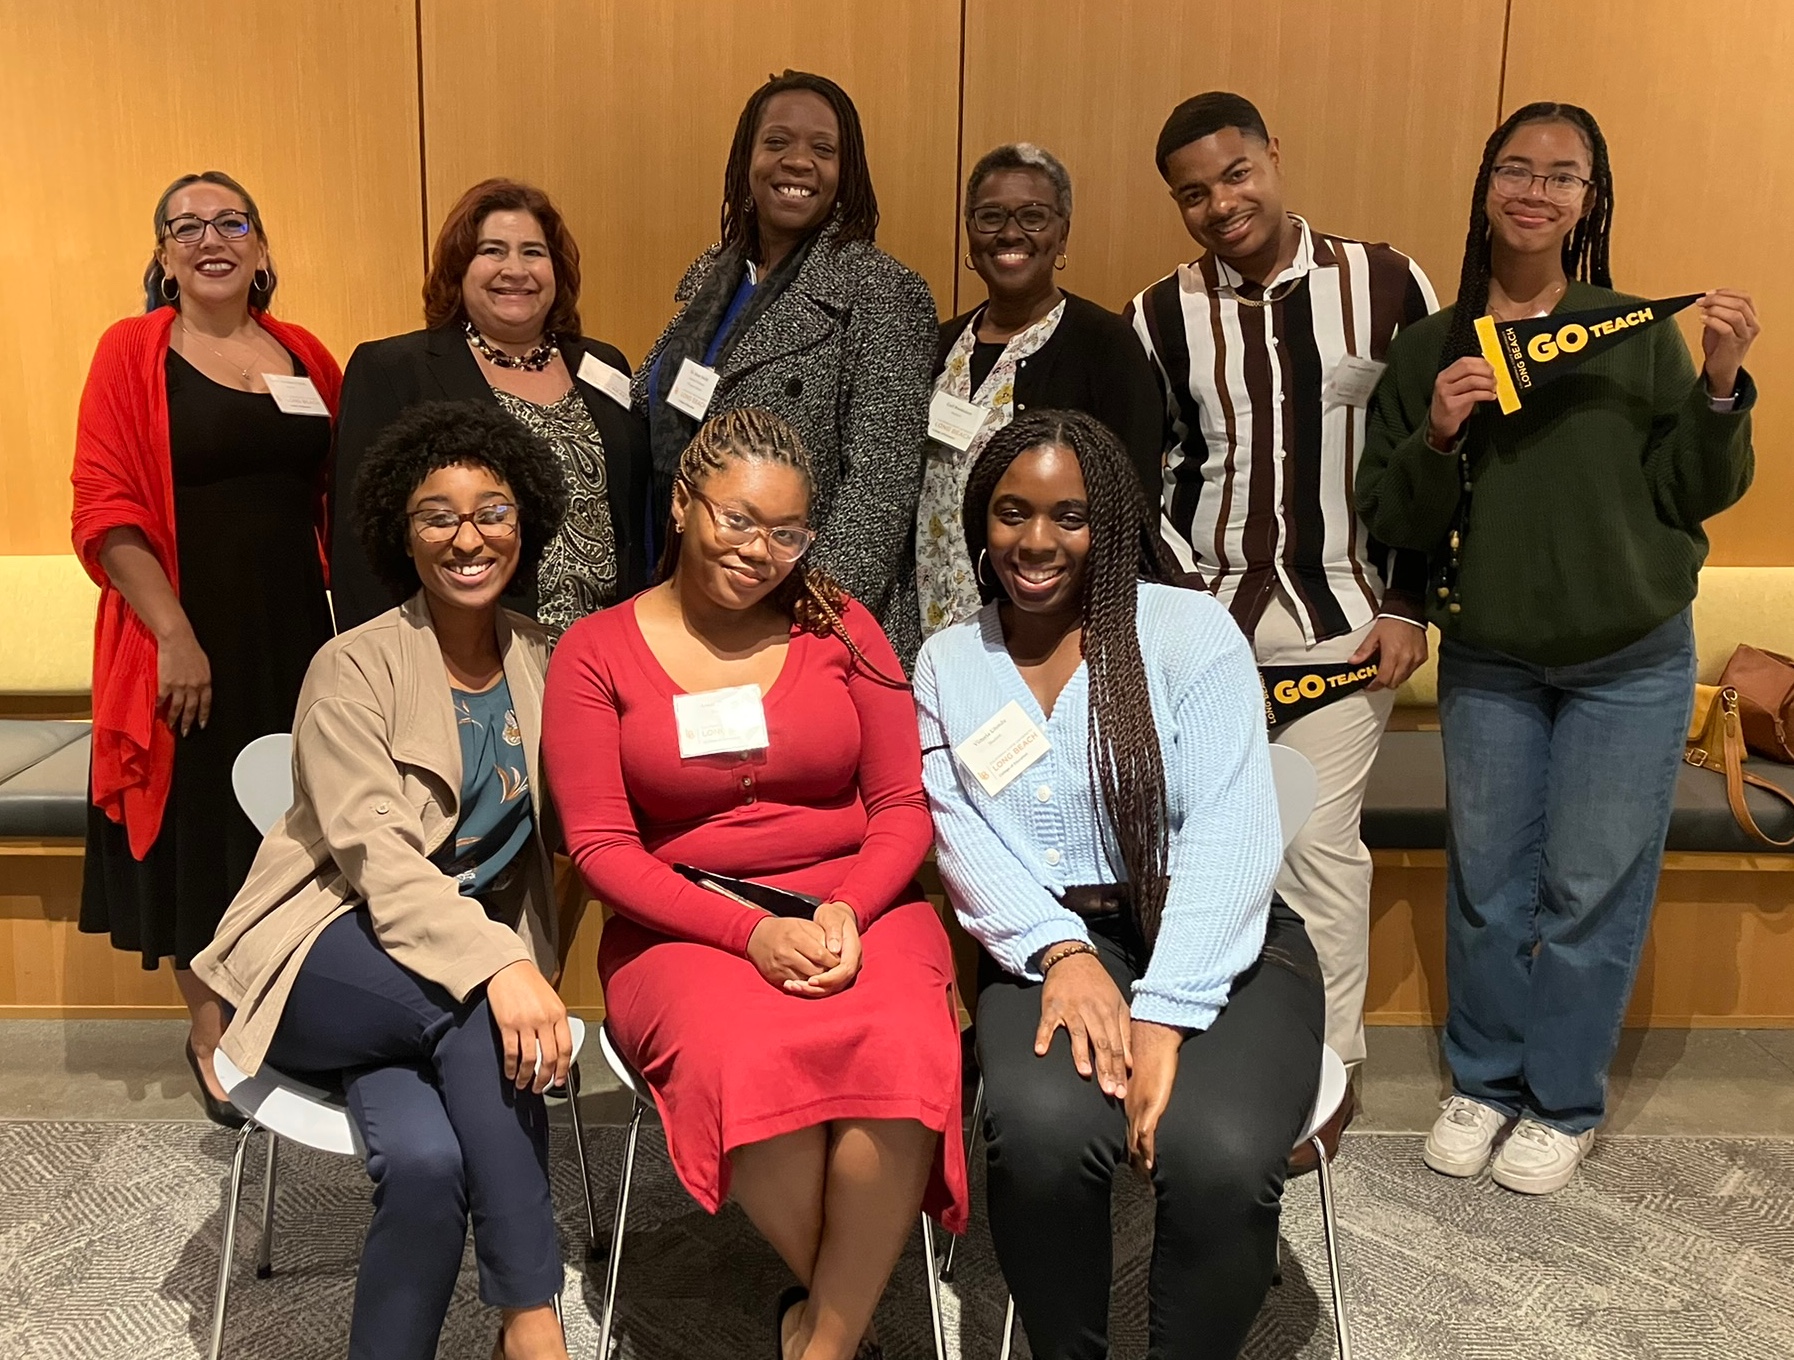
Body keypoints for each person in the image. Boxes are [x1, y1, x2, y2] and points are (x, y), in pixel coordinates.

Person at [1358, 102, 1759, 1195]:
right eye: (1515, 169)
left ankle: (1561, 1100)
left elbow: (1696, 489)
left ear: (1591, 201)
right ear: (1485, 187)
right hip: (1489, 659)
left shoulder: (1635, 332)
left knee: (1591, 887)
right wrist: (1438, 432)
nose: (1536, 190)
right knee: (1490, 882)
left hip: (1631, 661)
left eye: (1563, 176)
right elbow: (1388, 507)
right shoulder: (1430, 348)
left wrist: (1721, 385)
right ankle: (1483, 1082)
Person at [542, 408, 965, 1360]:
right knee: (745, 1052)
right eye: (737, 520)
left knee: (901, 1047)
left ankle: (818, 1340)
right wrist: (748, 936)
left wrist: (848, 908)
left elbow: (903, 803)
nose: (760, 551)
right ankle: (840, 1325)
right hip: (683, 923)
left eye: (787, 532)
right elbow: (604, 850)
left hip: (857, 901)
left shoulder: (843, 627)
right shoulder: (596, 652)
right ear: (685, 505)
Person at [915, 409, 1323, 1360]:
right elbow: (961, 835)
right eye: (1013, 513)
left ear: (1114, 523)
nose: (1037, 542)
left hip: (1217, 931)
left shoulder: (1186, 634)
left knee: (1215, 1155)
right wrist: (1060, 952)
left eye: (1070, 515)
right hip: (1050, 936)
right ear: (982, 521)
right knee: (1043, 1140)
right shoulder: (949, 662)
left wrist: (1167, 1009)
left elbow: (1234, 829)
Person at [193, 401, 574, 1360]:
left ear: (523, 522)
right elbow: (378, 858)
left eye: (491, 510)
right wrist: (500, 966)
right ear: (399, 535)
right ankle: (534, 1322)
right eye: (436, 515)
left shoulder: (546, 660)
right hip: (322, 947)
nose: (467, 536)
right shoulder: (351, 665)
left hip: (425, 986)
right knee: (490, 1018)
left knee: (426, 1158)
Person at [1125, 92, 1434, 1141]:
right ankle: (1205, 1044)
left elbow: (1433, 457)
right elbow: (1141, 475)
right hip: (1204, 624)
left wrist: (1408, 601)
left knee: (1317, 845)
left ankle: (1326, 1070)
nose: (1221, 204)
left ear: (1273, 158)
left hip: (1344, 620)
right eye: (1193, 194)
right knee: (1198, 840)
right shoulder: (1156, 315)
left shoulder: (1389, 282)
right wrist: (1170, 615)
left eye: (1236, 174)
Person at [71, 171, 341, 1127]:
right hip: (178, 635)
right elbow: (106, 511)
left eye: (231, 221)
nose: (209, 238)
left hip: (298, 634)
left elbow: (340, 497)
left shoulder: (305, 353)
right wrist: (176, 634)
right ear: (163, 256)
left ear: (262, 249)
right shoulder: (131, 351)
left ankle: (290, 1015)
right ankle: (210, 1029)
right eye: (186, 226)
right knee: (202, 831)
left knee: (292, 827)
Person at [635, 70, 937, 666]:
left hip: (800, 623)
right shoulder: (713, 281)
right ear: (747, 161)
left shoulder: (881, 292)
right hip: (689, 598)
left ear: (845, 174)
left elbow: (882, 482)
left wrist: (808, 616)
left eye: (822, 149)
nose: (797, 161)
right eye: (776, 142)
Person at [329, 178, 650, 636]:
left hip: (602, 645)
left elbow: (632, 510)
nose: (515, 270)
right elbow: (360, 543)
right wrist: (383, 662)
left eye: (533, 252)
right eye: (492, 251)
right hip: (465, 648)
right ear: (459, 267)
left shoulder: (604, 364)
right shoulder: (393, 369)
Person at [918, 142, 1163, 638]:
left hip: (1050, 626)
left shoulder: (1105, 345)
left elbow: (1132, 505)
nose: (1010, 232)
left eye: (1033, 216)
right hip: (930, 624)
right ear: (970, 231)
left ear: (1062, 232)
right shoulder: (938, 345)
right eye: (991, 217)